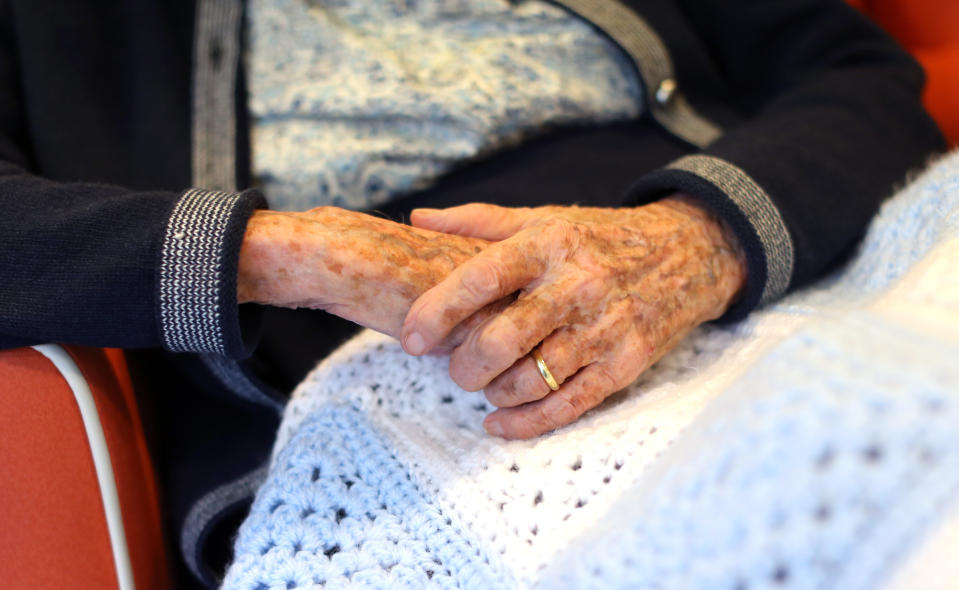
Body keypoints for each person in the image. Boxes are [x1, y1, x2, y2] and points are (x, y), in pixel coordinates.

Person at [0, 0, 944, 586]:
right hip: (400, 360)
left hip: (764, 242)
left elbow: (856, 78)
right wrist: (288, 254)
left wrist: (696, 242)